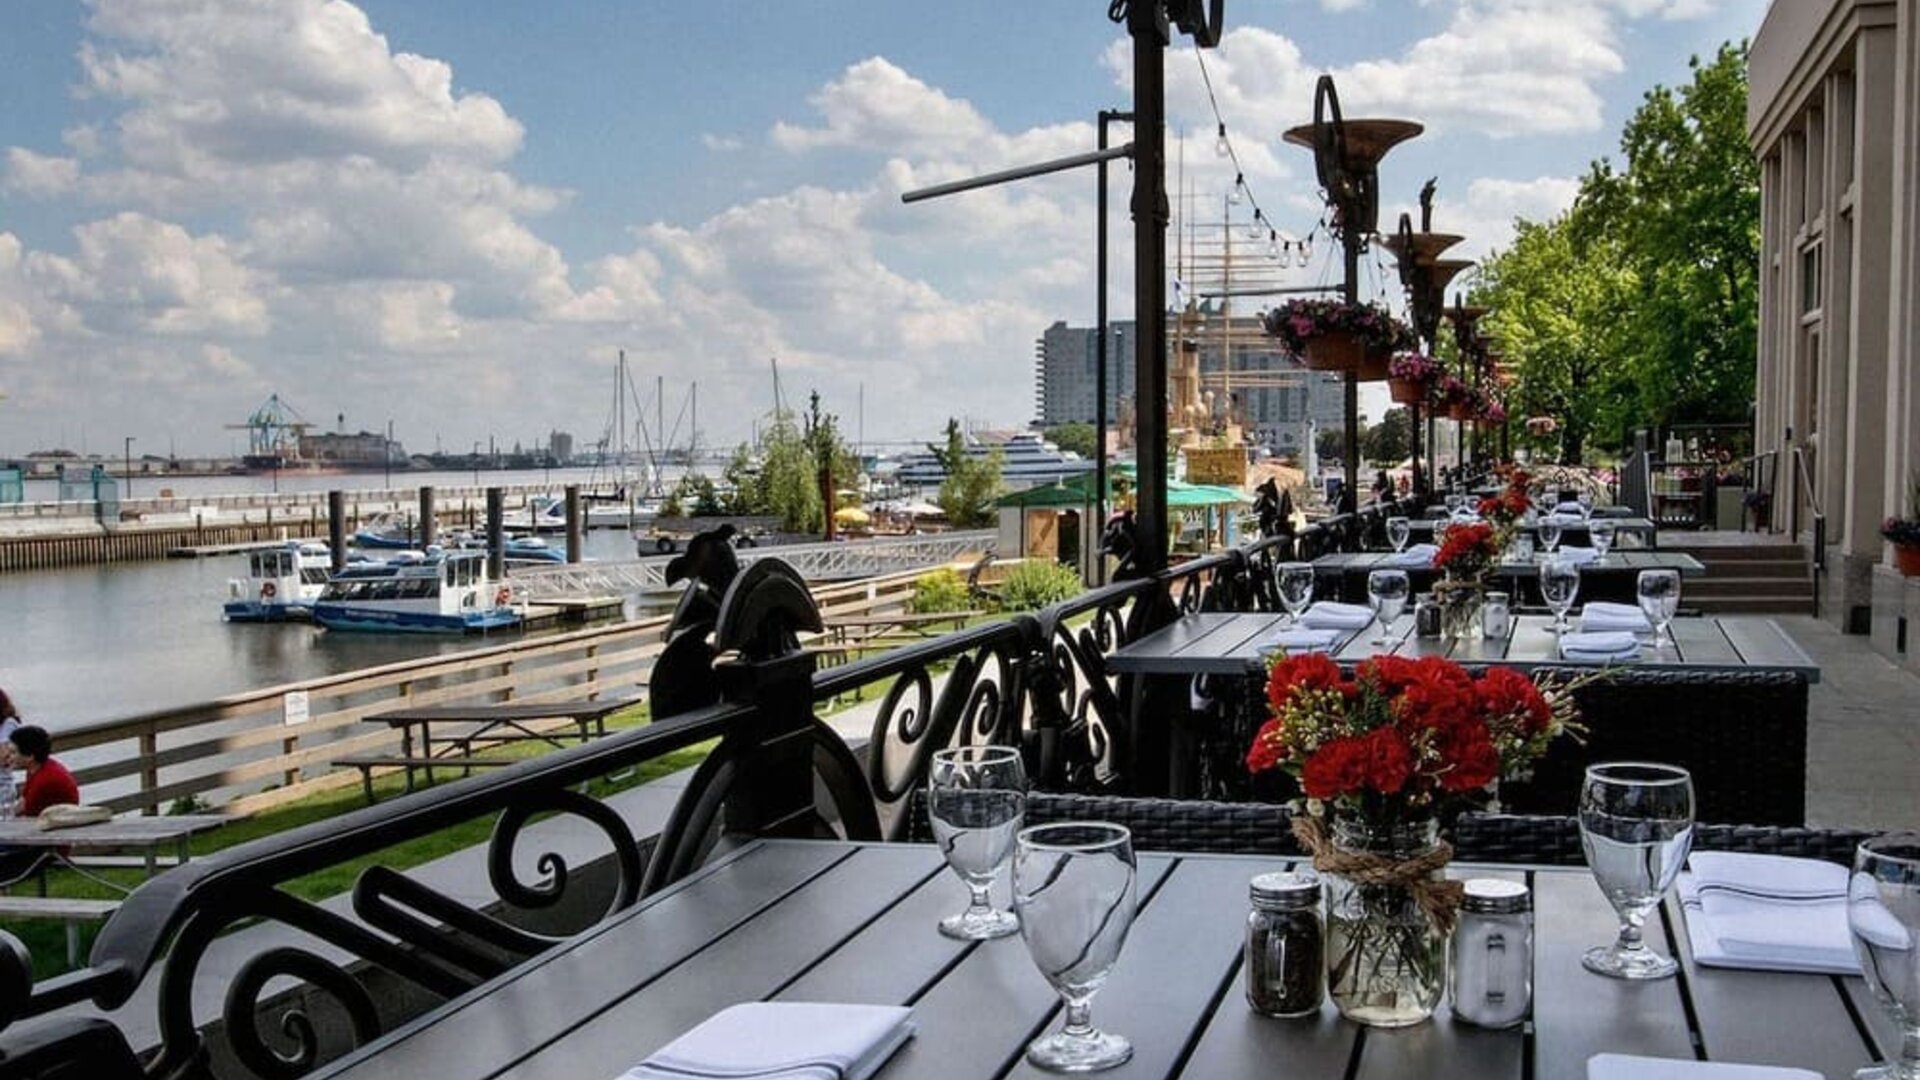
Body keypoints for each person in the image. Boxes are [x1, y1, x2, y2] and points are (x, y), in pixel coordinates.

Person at [9, 725, 78, 819]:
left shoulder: (44, 780)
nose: (9, 756)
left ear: (30, 756)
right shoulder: (39, 767)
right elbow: (23, 802)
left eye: (13, 752)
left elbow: (27, 816)